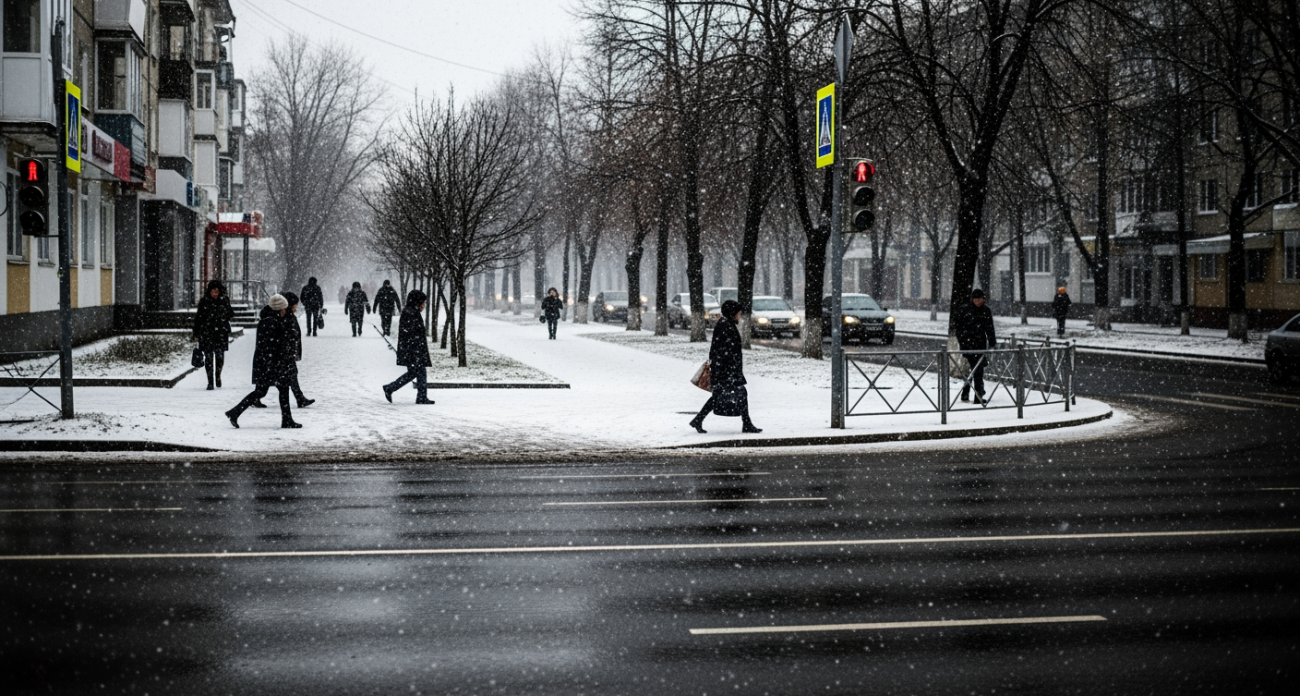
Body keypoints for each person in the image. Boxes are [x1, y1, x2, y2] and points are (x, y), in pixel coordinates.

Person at [225, 294, 302, 429]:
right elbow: (276, 344)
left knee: (263, 391)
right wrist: (288, 340)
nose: (285, 311)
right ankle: (286, 420)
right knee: (279, 389)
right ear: (279, 309)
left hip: (267, 363)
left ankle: (235, 412)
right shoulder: (271, 322)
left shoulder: (270, 320)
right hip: (271, 363)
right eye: (283, 308)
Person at [689, 300, 761, 434]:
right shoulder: (725, 326)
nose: (740, 315)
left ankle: (698, 420)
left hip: (726, 369)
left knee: (720, 396)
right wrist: (727, 371)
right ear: (732, 313)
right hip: (726, 370)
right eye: (738, 313)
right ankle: (747, 424)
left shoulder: (727, 324)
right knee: (739, 393)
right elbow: (722, 351)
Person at [382, 290, 435, 405]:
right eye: (423, 303)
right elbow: (411, 335)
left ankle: (392, 388)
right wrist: (416, 351)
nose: (424, 305)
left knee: (415, 372)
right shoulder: (411, 313)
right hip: (413, 351)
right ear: (417, 302)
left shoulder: (411, 312)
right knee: (419, 371)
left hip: (412, 350)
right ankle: (419, 396)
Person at [954, 288, 997, 404]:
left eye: (979, 300)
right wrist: (963, 343)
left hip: (980, 344)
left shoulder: (986, 311)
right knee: (977, 371)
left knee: (974, 370)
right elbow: (959, 328)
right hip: (968, 345)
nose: (977, 302)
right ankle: (977, 395)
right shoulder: (965, 310)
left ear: (983, 299)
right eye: (975, 300)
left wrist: (992, 343)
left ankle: (966, 393)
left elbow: (989, 328)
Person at [193, 279, 234, 390]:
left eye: (217, 291)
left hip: (221, 332)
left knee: (220, 357)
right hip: (207, 333)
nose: (215, 293)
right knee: (209, 358)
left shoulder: (224, 300)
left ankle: (218, 376)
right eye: (213, 291)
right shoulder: (204, 301)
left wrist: (223, 316)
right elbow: (198, 318)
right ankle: (210, 381)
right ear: (209, 291)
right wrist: (195, 334)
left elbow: (231, 314)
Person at [281, 292, 315, 408]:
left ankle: (300, 398)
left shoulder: (289, 316)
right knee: (290, 376)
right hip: (286, 353)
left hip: (287, 353)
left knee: (291, 375)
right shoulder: (287, 317)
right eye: (295, 305)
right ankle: (299, 399)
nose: (296, 307)